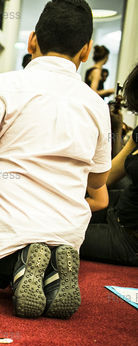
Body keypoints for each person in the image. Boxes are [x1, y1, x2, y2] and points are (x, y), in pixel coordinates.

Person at [0, 0, 111, 319]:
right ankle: (50, 270)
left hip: (7, 222)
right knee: (50, 248)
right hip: (65, 230)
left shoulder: (5, 85)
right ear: (85, 51)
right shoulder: (96, 105)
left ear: (32, 40)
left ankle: (14, 266)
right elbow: (98, 181)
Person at [81, 63, 138, 266]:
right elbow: (108, 175)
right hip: (118, 209)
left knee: (56, 233)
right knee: (53, 217)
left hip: (129, 238)